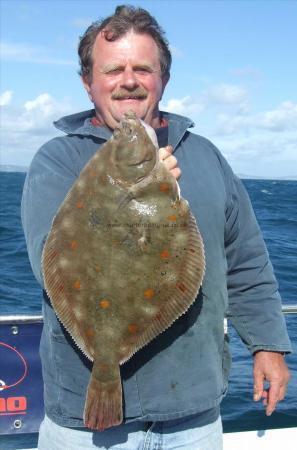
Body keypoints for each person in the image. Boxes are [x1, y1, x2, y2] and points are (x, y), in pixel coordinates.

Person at [21, 5, 291, 450]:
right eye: (113, 70)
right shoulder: (56, 160)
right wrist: (130, 194)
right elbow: (46, 260)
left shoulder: (206, 157)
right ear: (89, 82)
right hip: (85, 421)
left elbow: (246, 258)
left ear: (162, 79)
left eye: (142, 68)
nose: (129, 80)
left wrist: (268, 345)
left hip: (194, 414)